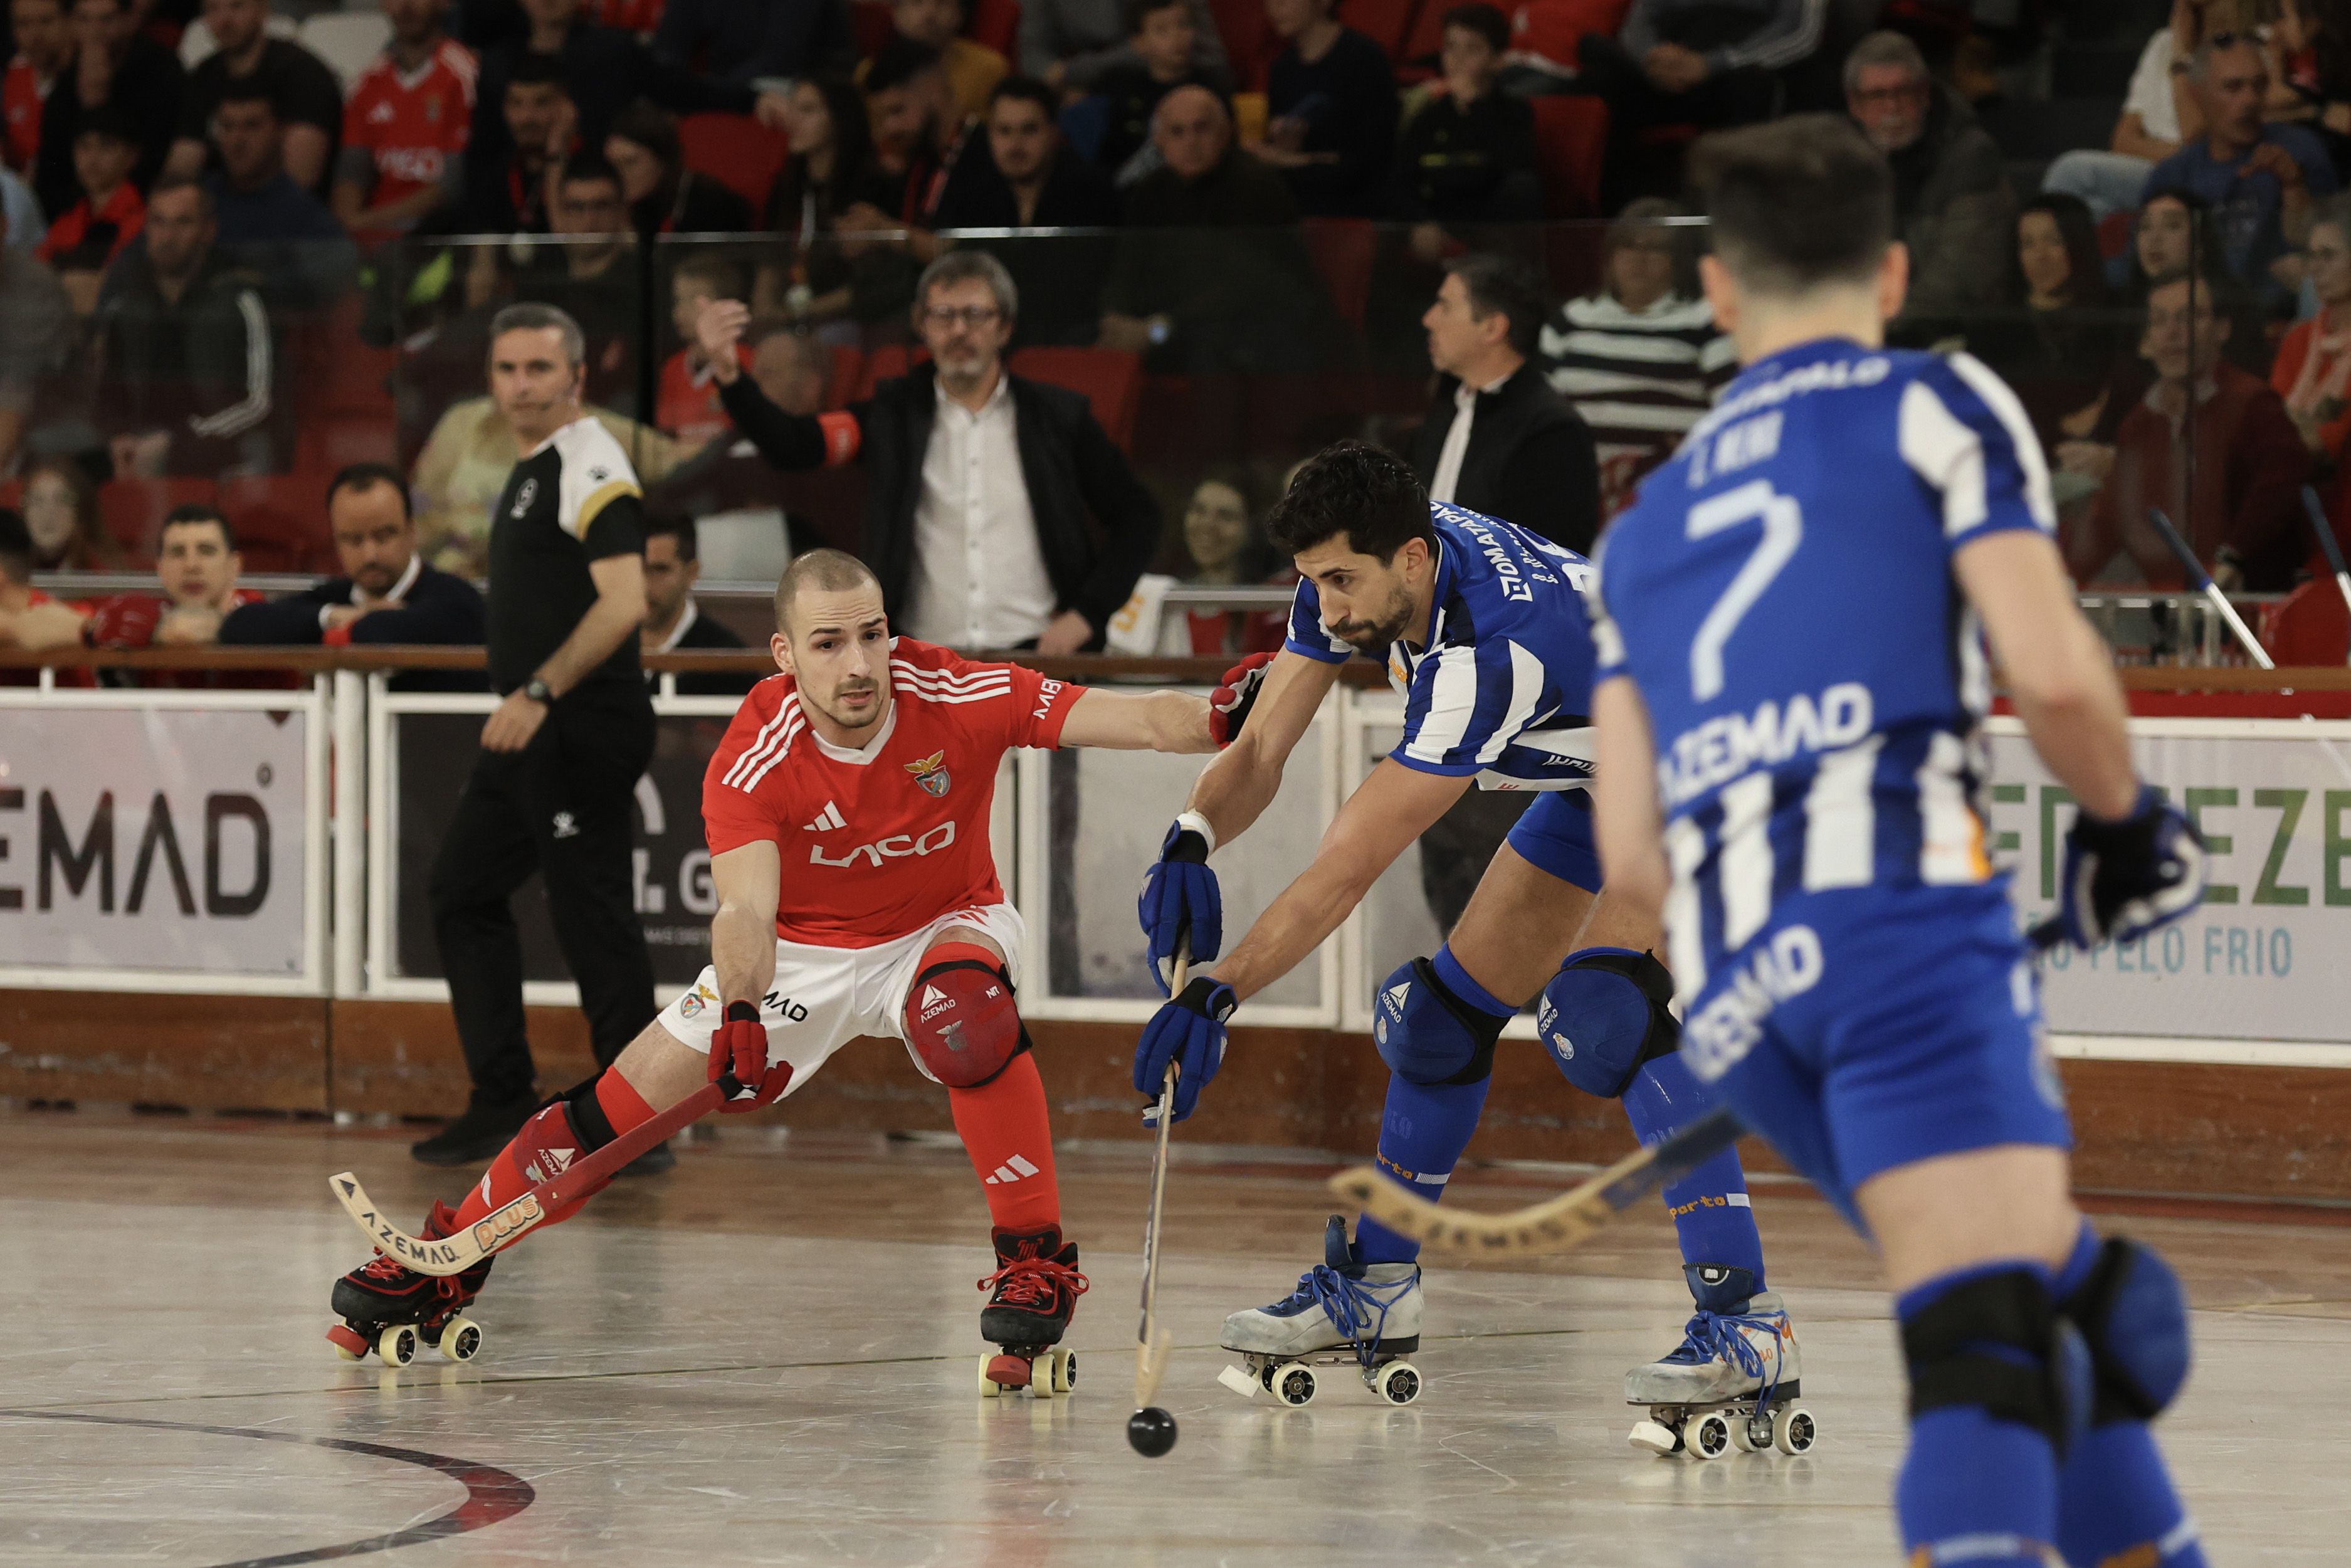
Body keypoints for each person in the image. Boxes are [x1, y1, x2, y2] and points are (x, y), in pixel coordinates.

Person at [1587, 111, 2209, 1568]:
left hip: (1738, 1000)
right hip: (1897, 939)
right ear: (1886, 270)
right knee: (1988, 1351)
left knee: (2056, 1313)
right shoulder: (1932, 402)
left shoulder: (1642, 521)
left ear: (1720, 296)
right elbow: (2051, 675)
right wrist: (2124, 828)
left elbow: (1628, 852)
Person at [328, 545, 1254, 1389]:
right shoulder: (752, 755)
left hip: (942, 925)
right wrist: (739, 1011)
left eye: (872, 635)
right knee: (613, 1113)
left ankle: (1034, 1259)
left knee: (965, 1019)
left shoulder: (955, 693)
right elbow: (745, 910)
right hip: (799, 953)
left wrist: (1217, 715)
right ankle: (447, 1257)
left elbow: (1138, 718)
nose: (859, 665)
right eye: (829, 643)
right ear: (784, 655)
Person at [1129, 441, 1789, 1450]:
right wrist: (1191, 836)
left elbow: (1347, 867)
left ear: (1411, 559)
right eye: (1312, 583)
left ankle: (1749, 1325)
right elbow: (1258, 747)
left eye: (1341, 581)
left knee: (1604, 1017)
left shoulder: (1484, 659)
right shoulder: (1370, 561)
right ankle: (1380, 1286)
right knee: (1437, 1023)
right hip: (1605, 765)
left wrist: (1216, 992)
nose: (1330, 610)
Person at [411, 302, 662, 1170]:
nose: (522, 384)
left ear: (576, 377)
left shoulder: (592, 459)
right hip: (532, 724)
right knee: (460, 890)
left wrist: (541, 688)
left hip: (576, 719)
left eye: (539, 369)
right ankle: (500, 1099)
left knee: (591, 911)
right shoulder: (533, 466)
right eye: (508, 369)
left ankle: (641, 1119)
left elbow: (627, 601)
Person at [702, 251, 1161, 653]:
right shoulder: (891, 415)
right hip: (920, 661)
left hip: (1039, 657)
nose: (959, 330)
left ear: (1004, 327)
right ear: (922, 325)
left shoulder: (1058, 418)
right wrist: (730, 376)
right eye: (944, 315)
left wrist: (1087, 615)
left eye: (976, 314)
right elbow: (795, 446)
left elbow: (1139, 517)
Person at [2069, 269, 2308, 592]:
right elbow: (2108, 521)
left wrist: (2233, 555)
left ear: (2222, 329)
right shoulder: (2138, 424)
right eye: (2159, 321)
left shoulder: (2252, 404)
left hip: (2241, 610)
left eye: (2188, 318)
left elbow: (2282, 483)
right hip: (2169, 614)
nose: (2172, 333)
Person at [466, 0, 787, 216]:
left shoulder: (614, 50)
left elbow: (682, 88)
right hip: (516, 206)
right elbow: (483, 152)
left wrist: (751, 98)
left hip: (610, 205)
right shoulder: (497, 64)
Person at [1098, 85, 1327, 373]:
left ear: (1226, 133)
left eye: (1201, 129)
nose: (1191, 142)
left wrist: (1159, 327)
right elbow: (1126, 266)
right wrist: (1115, 318)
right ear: (1159, 140)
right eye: (1177, 132)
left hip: (1250, 330)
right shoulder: (1150, 191)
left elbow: (1246, 287)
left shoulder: (1257, 186)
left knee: (1209, 349)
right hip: (1167, 326)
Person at [1540, 196, 1735, 517]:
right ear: (1610, 255)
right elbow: (1538, 409)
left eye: (1655, 249)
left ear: (1680, 260)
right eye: (1629, 246)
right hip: (1575, 492)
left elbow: (1732, 408)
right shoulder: (1571, 321)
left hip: (1670, 496)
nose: (1638, 259)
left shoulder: (1704, 321)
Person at [217, 462, 487, 690]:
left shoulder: (457, 599)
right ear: (336, 541)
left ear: (412, 531)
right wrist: (332, 617)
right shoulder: (335, 598)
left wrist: (360, 621)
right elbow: (240, 625)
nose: (370, 555)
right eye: (354, 540)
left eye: (384, 536)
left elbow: (376, 634)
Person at [92, 176, 280, 478]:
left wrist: (179, 444)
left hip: (226, 450)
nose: (168, 236)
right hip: (144, 450)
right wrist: (119, 437)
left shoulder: (241, 296)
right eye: (158, 222)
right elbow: (108, 398)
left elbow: (261, 403)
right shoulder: (126, 303)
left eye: (182, 223)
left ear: (208, 230)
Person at [1413, 252, 1597, 551]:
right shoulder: (1448, 405)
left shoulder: (1553, 432)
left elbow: (1546, 564)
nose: (1428, 319)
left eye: (1445, 306)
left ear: (1492, 328)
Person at [1570, 0, 1825, 208]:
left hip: (1740, 66)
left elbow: (1799, 32)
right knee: (1600, 78)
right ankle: (1604, 220)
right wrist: (1653, 58)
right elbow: (1640, 21)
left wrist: (1712, 63)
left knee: (1750, 87)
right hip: (1663, 66)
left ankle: (1740, 217)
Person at [2142, 33, 2337, 302]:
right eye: (2233, 88)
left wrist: (2294, 188)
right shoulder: (2171, 177)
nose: (2250, 100)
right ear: (2197, 95)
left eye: (2258, 86)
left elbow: (2331, 257)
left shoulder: (2301, 149)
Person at [934, 76, 1120, 349]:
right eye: (1004, 131)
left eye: (1029, 130)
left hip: (1070, 333)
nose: (1015, 144)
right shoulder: (975, 190)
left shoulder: (1091, 190)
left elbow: (1079, 287)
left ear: (1054, 132)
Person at [1843, 30, 2011, 323]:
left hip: (1946, 335)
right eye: (1877, 95)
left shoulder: (1971, 156)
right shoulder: (1840, 161)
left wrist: (1867, 330)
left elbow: (1960, 282)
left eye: (1903, 92)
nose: (1892, 107)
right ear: (1855, 105)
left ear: (1924, 95)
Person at [1971, 194, 2128, 451]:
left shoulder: (2115, 312)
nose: (2040, 256)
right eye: (2027, 244)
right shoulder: (1993, 323)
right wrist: (2060, 427)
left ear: (2078, 244)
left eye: (2054, 241)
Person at [166, 0, 344, 198]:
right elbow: (182, 168)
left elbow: (301, 179)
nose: (224, 20)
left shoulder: (304, 75)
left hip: (288, 214)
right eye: (212, 9)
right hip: (215, 209)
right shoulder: (204, 76)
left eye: (237, 6)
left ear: (263, 10)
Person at [78, 502, 268, 687]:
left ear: (234, 566)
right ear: (160, 568)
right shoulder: (148, 610)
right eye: (178, 553)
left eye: (207, 551)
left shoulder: (255, 612)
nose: (191, 566)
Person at [756, 73, 889, 335]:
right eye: (792, 108)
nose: (793, 120)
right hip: (792, 318)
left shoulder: (873, 186)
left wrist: (792, 314)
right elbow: (769, 261)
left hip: (851, 323)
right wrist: (763, 313)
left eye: (808, 110)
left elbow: (873, 283)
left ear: (840, 118)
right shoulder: (787, 186)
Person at [333, 0, 478, 239]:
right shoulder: (366, 83)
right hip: (371, 241)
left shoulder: (466, 76)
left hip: (440, 237)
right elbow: (352, 172)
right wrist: (350, 224)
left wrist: (364, 223)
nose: (406, 6)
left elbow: (453, 188)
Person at [510, 150, 641, 413]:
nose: (589, 221)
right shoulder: (540, 280)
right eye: (577, 208)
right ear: (561, 213)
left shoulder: (640, 281)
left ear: (622, 211)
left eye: (601, 206)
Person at [33, 0, 185, 223]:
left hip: (147, 213)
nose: (95, 32)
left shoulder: (161, 70)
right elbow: (51, 173)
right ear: (72, 24)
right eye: (84, 19)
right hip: (75, 218)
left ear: (127, 21)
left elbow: (159, 158)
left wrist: (99, 104)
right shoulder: (64, 87)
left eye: (106, 20)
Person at [204, 85, 357, 307]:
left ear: (280, 132)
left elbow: (339, 270)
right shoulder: (195, 200)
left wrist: (261, 284)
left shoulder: (303, 214)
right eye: (227, 127)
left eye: (252, 126)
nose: (237, 140)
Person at [1391, 3, 1540, 226]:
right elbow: (1402, 179)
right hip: (1437, 224)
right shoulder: (1429, 113)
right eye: (1450, 47)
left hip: (1489, 226)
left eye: (1472, 49)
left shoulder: (1514, 112)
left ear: (1497, 60)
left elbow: (1511, 172)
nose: (1457, 59)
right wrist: (1421, 223)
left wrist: (1474, 108)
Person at [2043, 10, 2191, 219]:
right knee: (2096, 209)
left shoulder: (2240, 48)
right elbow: (2123, 140)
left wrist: (2157, 148)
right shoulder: (2164, 42)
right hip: (2151, 166)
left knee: (2070, 172)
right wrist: (2177, 152)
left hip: (2194, 173)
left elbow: (2209, 151)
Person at [1260, 0, 1397, 218]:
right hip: (1297, 209)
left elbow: (1373, 162)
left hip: (1356, 209)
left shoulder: (1365, 61)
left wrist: (1290, 161)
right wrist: (1284, 147)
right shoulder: (1282, 69)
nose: (1275, 7)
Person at [1081, 0, 1229, 179]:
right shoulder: (1124, 86)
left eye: (1183, 25)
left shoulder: (1211, 86)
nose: (1177, 36)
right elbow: (1111, 153)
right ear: (1139, 43)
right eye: (1162, 30)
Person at [2276, 196, 2351, 545]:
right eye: (2312, 256)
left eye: (2329, 256)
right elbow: (2270, 428)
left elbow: (2333, 443)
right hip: (2291, 501)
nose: (2316, 269)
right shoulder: (2299, 340)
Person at [450, 50, 569, 233]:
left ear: (565, 107)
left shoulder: (590, 168)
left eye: (541, 103)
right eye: (516, 103)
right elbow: (484, 253)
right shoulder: (495, 171)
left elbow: (576, 246)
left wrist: (556, 156)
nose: (527, 118)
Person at [638, 511, 755, 695]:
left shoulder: (728, 663)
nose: (644, 585)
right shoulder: (601, 647)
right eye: (636, 569)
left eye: (659, 570)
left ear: (691, 573)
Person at [38, 106, 142, 309]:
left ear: (132, 156)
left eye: (107, 146)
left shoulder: (146, 221)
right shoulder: (67, 222)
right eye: (84, 147)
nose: (93, 158)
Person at [604, 98, 752, 236]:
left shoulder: (711, 203)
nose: (619, 174)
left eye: (631, 162)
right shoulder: (625, 206)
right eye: (612, 164)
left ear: (663, 161)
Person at [1020, 0, 1226, 96]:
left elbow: (1157, 45)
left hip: (1179, 83)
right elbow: (1032, 49)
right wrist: (1060, 87)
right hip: (1076, 91)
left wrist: (1073, 75)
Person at [650, 0, 856, 94]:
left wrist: (710, 93)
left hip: (803, 88)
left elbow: (779, 58)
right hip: (727, 84)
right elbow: (668, 47)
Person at [856, 0, 1007, 123]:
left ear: (960, 12)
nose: (929, 14)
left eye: (941, 3)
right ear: (896, 13)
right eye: (917, 2)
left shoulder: (988, 68)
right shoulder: (869, 72)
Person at [656, 253, 752, 446]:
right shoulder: (672, 368)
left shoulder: (750, 361)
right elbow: (665, 436)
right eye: (678, 300)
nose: (681, 310)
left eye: (694, 300)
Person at [4, 0, 74, 175]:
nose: (35, 35)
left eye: (45, 21)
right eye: (23, 24)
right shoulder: (13, 75)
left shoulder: (86, 83)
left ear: (69, 22)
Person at [21, 453, 119, 569]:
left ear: (81, 511)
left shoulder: (102, 576)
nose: (48, 512)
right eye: (37, 500)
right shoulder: (7, 571)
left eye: (62, 500)